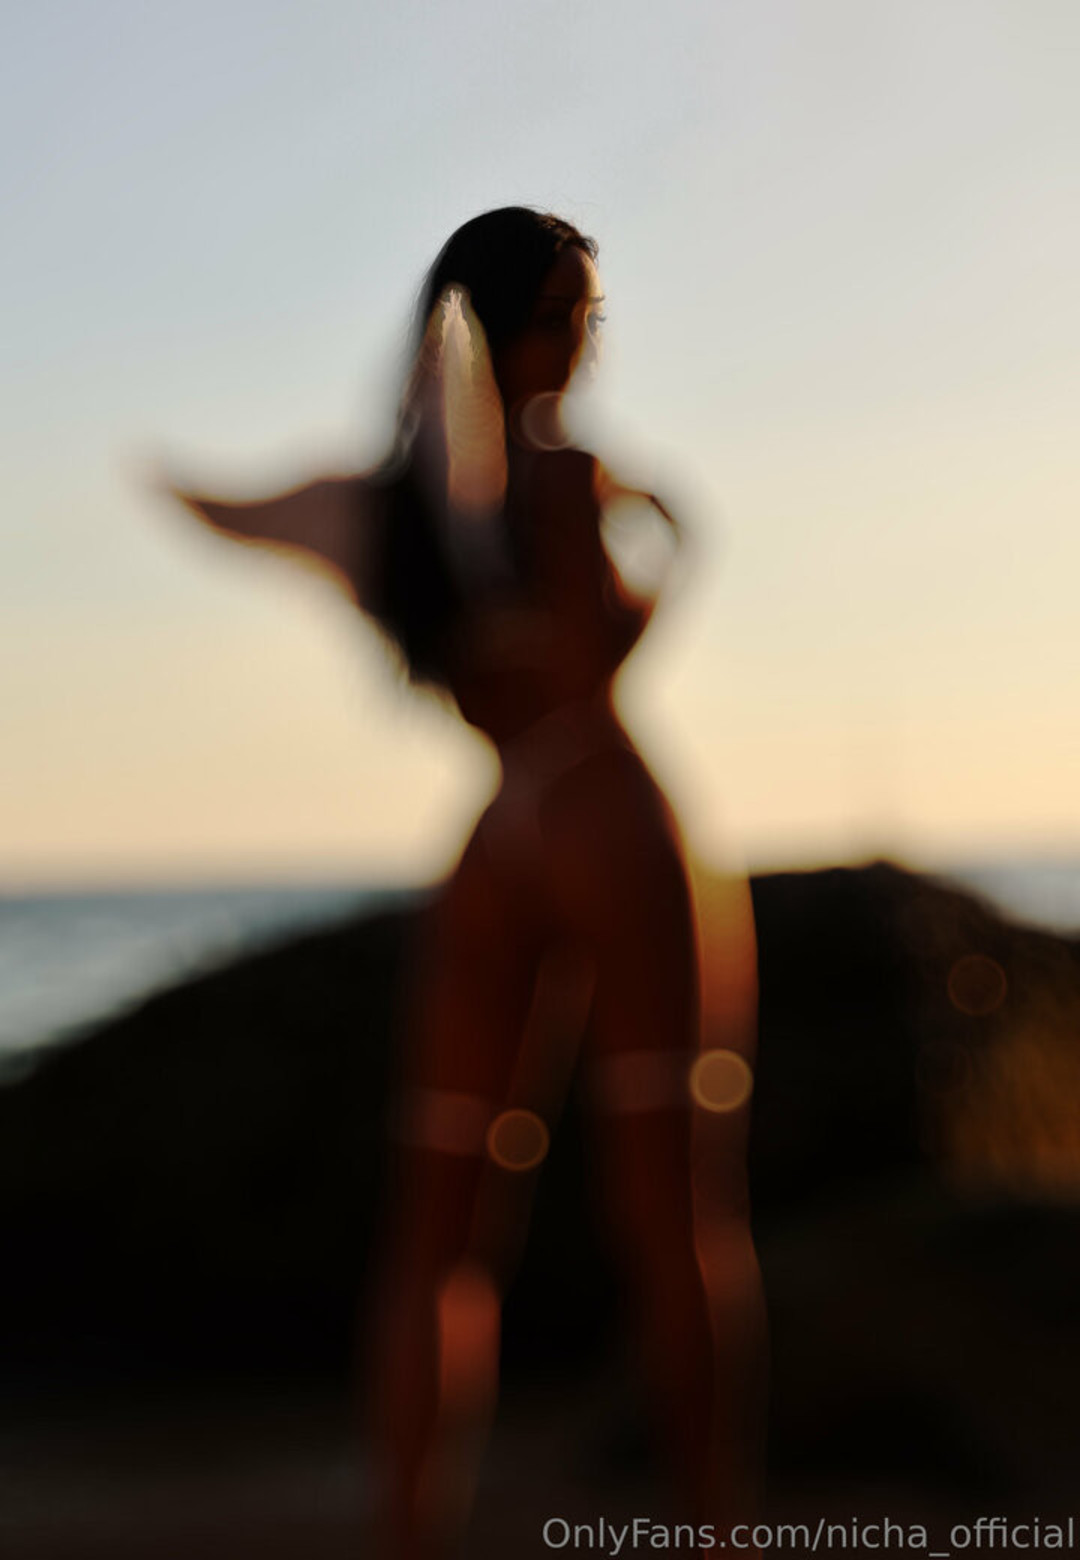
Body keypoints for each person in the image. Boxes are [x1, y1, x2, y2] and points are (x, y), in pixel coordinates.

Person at [161, 206, 766, 1560]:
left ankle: (408, 1530)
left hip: (499, 832)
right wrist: (663, 535)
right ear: (499, 329)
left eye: (591, 320)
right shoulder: (571, 475)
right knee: (675, 1216)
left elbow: (237, 514)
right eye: (562, 320)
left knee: (438, 1234)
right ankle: (717, 1531)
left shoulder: (396, 515)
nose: (583, 347)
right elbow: (610, 639)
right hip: (605, 807)